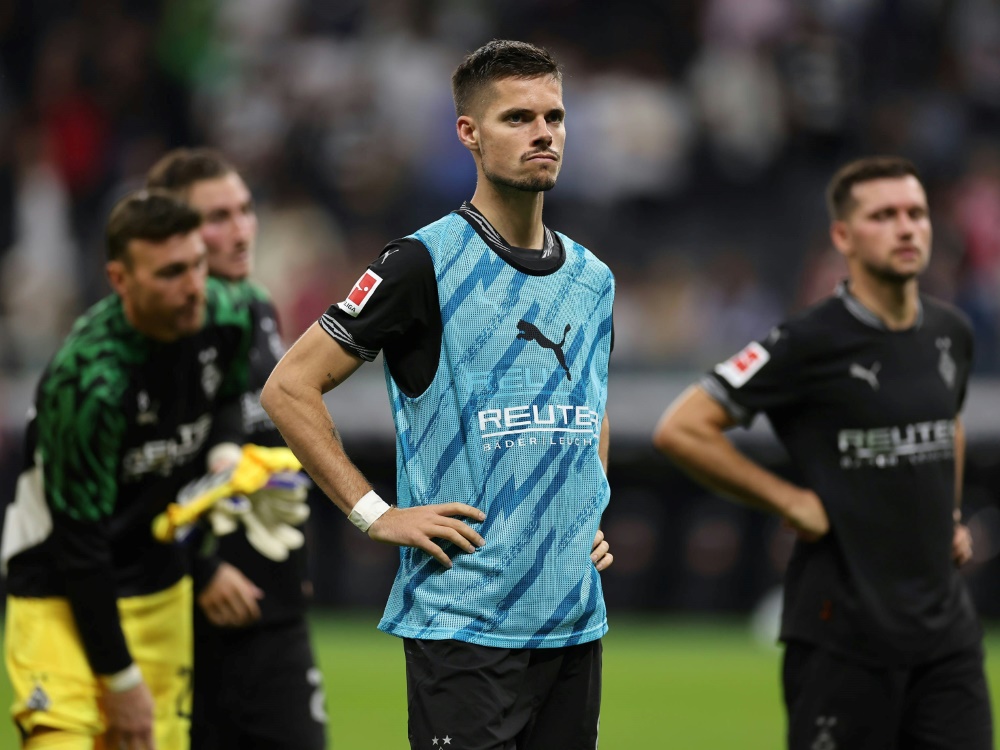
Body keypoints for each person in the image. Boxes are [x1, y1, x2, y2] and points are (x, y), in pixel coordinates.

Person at [261, 39, 615, 750]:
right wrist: (375, 514)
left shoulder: (593, 276)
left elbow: (589, 403)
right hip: (465, 628)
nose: (543, 132)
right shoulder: (421, 262)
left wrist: (588, 505)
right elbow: (289, 386)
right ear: (469, 134)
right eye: (517, 118)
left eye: (554, 116)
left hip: (574, 621)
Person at [652, 156, 992, 749]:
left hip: (948, 637)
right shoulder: (808, 341)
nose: (907, 228)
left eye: (916, 213)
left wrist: (951, 515)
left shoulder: (950, 331)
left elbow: (949, 422)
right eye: (884, 216)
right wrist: (788, 499)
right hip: (844, 634)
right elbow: (682, 427)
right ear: (843, 236)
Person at [1, 190, 255, 749]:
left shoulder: (230, 311)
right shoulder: (88, 381)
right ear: (120, 280)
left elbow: (230, 398)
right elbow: (80, 546)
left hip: (159, 591)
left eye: (195, 264)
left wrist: (224, 455)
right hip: (59, 592)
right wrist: (120, 682)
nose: (193, 287)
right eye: (169, 274)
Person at [146, 148, 327, 750]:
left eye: (245, 210)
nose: (241, 228)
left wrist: (292, 563)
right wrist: (202, 568)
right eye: (217, 216)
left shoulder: (254, 304)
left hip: (271, 601)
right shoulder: (162, 332)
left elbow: (263, 440)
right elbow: (148, 471)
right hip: (194, 605)